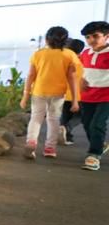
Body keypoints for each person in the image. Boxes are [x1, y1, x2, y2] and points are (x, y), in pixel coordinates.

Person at [20, 26, 80, 160]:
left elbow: (30, 75)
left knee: (36, 118)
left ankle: (31, 142)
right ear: (66, 41)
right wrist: (75, 100)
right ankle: (50, 148)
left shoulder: (38, 54)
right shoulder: (69, 55)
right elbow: (72, 78)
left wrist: (25, 95)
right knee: (53, 120)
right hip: (58, 93)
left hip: (39, 91)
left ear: (47, 39)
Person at [78, 21, 109, 171]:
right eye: (88, 37)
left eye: (95, 36)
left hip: (106, 96)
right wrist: (80, 79)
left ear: (106, 36)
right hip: (88, 95)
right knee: (86, 122)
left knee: (97, 124)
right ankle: (100, 144)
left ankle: (94, 154)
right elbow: (81, 69)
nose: (91, 40)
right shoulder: (85, 53)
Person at [59, 38, 85, 145]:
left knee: (65, 116)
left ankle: (67, 137)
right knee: (80, 115)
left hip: (64, 93)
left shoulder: (64, 60)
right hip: (78, 94)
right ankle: (67, 128)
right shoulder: (81, 61)